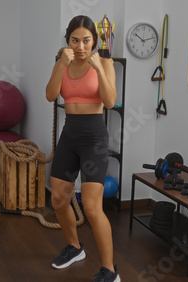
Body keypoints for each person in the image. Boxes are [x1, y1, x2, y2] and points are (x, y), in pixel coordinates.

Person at [45, 15, 120, 282]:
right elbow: (51, 95)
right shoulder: (62, 62)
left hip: (94, 140)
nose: (80, 46)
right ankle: (75, 248)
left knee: (91, 207)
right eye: (75, 40)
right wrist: (59, 66)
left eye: (86, 40)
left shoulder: (106, 63)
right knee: (58, 199)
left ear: (94, 42)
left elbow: (110, 102)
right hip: (69, 135)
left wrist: (99, 68)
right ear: (67, 41)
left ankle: (110, 271)